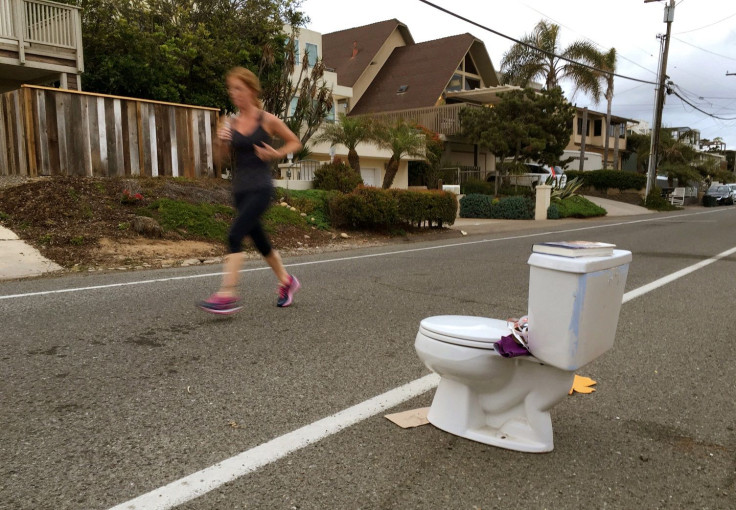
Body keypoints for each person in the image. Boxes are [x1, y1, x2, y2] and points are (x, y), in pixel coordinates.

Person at [198, 67, 303, 314]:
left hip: (261, 189)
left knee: (235, 235)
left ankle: (227, 293)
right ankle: (287, 282)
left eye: (239, 88)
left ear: (252, 90)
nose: (234, 94)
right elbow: (221, 159)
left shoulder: (266, 120)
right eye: (231, 89)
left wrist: (275, 153)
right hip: (241, 191)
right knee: (261, 242)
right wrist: (220, 142)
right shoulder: (231, 122)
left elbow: (295, 141)